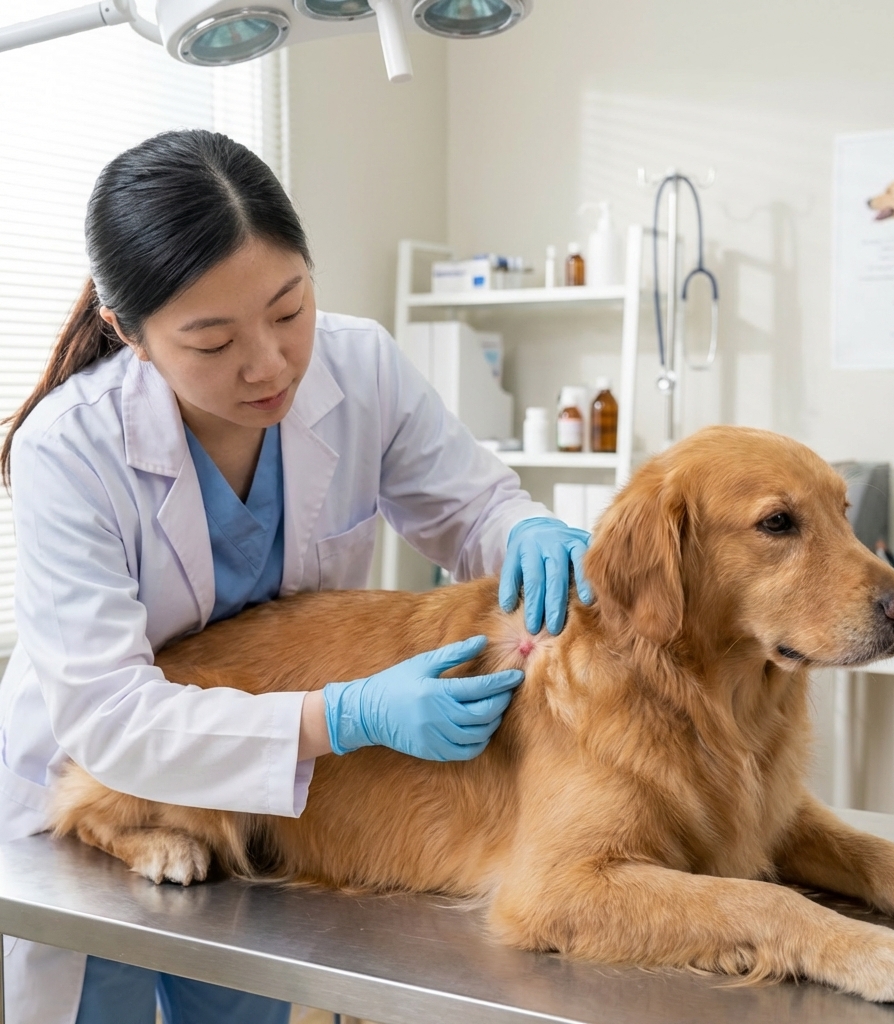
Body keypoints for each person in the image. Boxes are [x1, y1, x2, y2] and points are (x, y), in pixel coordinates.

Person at [0, 129, 592, 1024]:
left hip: (275, 808)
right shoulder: (70, 448)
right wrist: (347, 714)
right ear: (132, 335)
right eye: (212, 340)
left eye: (289, 308)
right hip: (99, 787)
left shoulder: (362, 367)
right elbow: (111, 714)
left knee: (245, 1002)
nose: (270, 364)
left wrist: (527, 529)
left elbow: (470, 510)